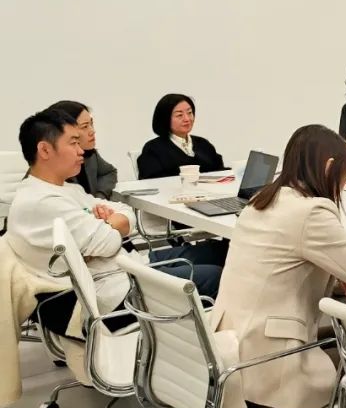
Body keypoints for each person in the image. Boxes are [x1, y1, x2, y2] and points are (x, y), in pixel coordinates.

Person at [7, 109, 225, 338]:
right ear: (44, 150)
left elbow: (126, 214)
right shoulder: (43, 202)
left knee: (219, 251)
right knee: (217, 275)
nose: (81, 150)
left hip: (124, 267)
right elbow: (110, 242)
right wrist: (109, 227)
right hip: (115, 295)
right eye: (73, 143)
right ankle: (220, 347)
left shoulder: (66, 189)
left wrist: (107, 225)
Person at [210, 125, 346, 408]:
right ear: (329, 168)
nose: (343, 186)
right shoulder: (312, 212)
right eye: (345, 177)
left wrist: (339, 274)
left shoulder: (261, 201)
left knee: (340, 336)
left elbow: (285, 267)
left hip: (226, 362)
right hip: (268, 380)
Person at [137, 93, 226, 179]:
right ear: (165, 119)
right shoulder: (153, 149)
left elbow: (220, 173)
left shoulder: (203, 144)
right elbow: (152, 181)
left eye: (190, 113)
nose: (187, 119)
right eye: (179, 115)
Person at [47, 100, 117, 199]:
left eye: (91, 124)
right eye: (84, 126)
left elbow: (109, 173)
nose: (92, 131)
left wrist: (100, 196)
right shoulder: (50, 166)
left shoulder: (90, 154)